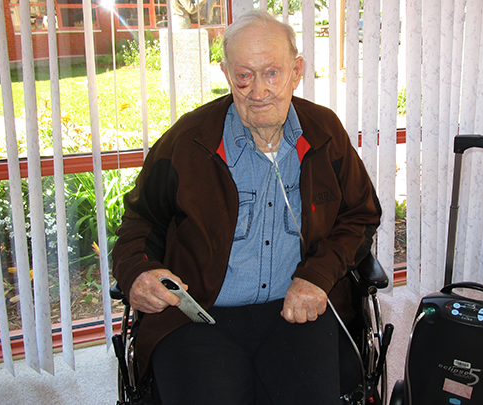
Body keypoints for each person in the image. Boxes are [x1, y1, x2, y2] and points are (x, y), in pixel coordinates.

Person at [112, 9, 381, 405]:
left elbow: (361, 213)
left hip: (296, 309)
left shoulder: (325, 134)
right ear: (226, 74)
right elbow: (138, 222)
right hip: (199, 315)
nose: (258, 91)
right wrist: (137, 272)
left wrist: (319, 274)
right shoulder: (187, 142)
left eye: (272, 72)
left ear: (296, 71)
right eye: (244, 75)